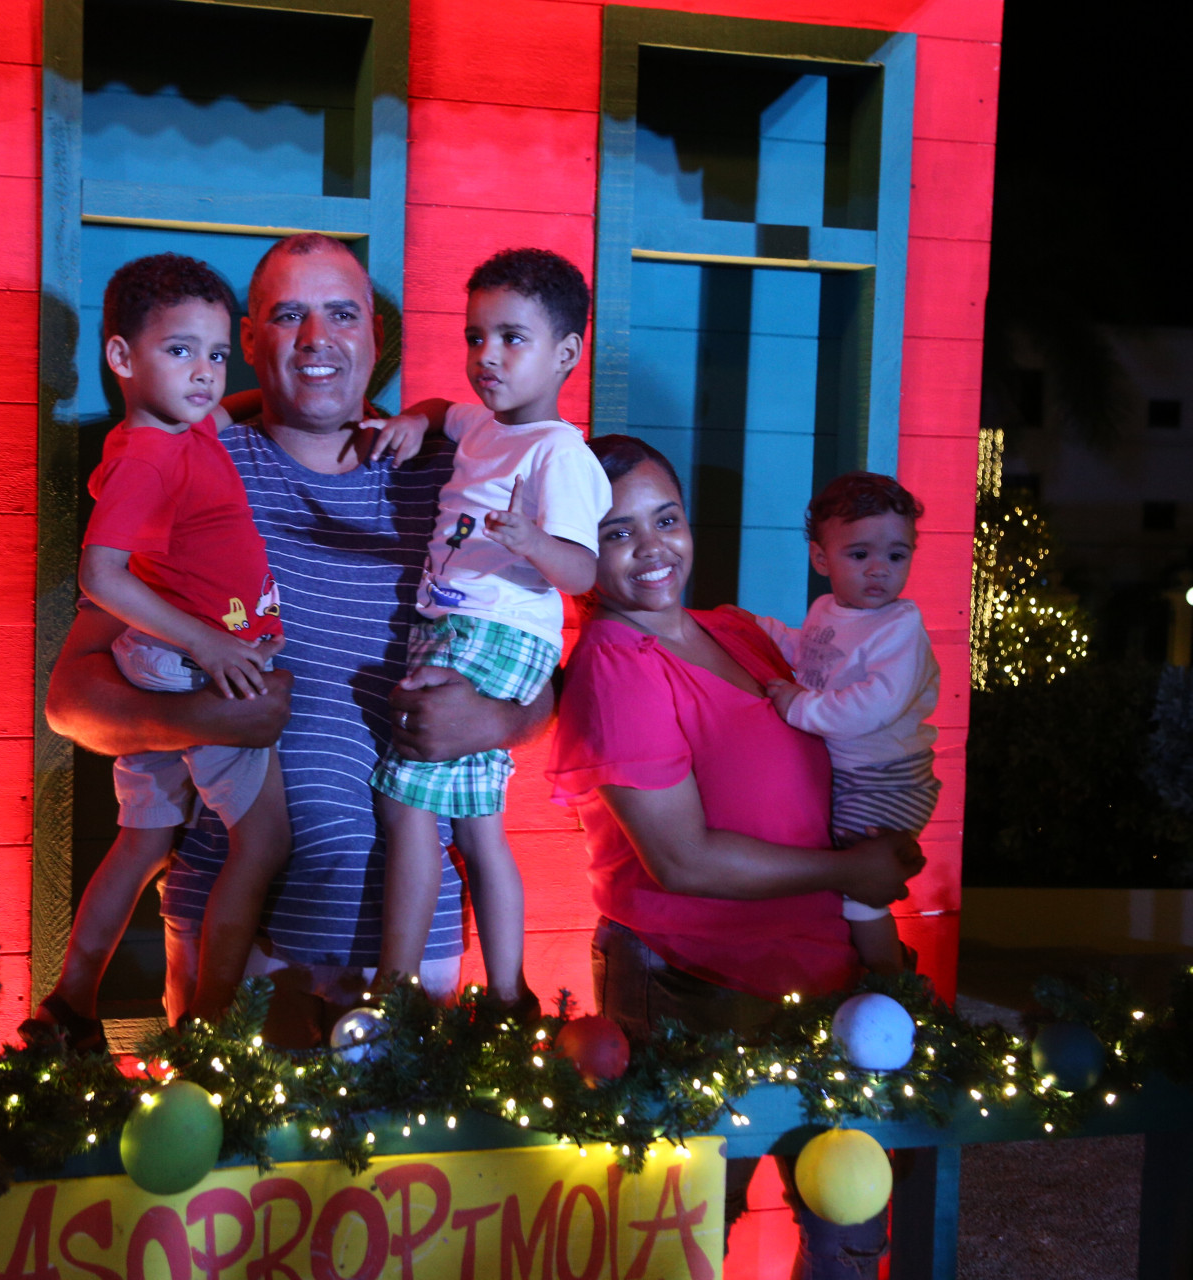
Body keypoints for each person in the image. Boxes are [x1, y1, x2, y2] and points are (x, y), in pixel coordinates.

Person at [43, 233, 551, 1045]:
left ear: (376, 336)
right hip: (238, 946)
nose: (318, 339)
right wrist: (206, 718)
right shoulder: (193, 464)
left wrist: (496, 720)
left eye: (342, 314)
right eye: (289, 317)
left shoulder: (455, 474)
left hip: (417, 946)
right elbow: (72, 700)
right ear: (249, 339)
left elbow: (538, 672)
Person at [547, 434, 925, 1278]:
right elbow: (680, 861)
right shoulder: (616, 663)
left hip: (825, 983)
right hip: (696, 984)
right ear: (578, 548)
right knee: (686, 1242)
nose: (652, 548)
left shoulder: (737, 631)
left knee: (850, 1239)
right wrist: (850, 872)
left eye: (666, 519)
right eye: (615, 532)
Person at [27, 254, 293, 1048]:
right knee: (264, 840)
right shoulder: (148, 456)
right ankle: (209, 1024)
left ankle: (73, 998)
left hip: (162, 659)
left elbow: (224, 412)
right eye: (181, 351)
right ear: (121, 356)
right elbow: (100, 575)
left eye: (217, 354)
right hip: (193, 665)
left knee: (143, 840)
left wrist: (271, 397)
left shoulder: (181, 428)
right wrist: (210, 643)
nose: (206, 373)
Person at [361, 249, 611, 1012]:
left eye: (512, 338)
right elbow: (443, 408)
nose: (487, 356)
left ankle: (394, 993)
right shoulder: (483, 425)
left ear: (566, 353)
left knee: (406, 804)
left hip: (491, 631)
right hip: (457, 624)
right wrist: (414, 419)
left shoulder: (558, 451)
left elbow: (582, 572)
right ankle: (508, 993)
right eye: (475, 337)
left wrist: (532, 542)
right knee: (475, 825)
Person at [759, 472, 941, 976]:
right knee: (832, 868)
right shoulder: (828, 609)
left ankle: (890, 981)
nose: (879, 570)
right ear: (822, 559)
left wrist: (799, 708)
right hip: (856, 773)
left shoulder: (899, 627)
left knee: (861, 887)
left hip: (888, 778)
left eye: (896, 556)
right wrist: (759, 630)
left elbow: (874, 706)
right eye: (860, 555)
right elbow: (810, 653)